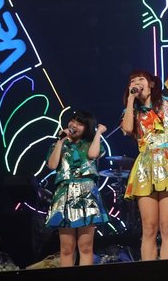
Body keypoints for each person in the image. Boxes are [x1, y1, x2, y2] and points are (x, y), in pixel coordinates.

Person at [121, 13, 168, 261]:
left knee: (166, 226)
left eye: (141, 79)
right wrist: (130, 100)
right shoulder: (132, 111)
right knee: (149, 227)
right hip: (145, 165)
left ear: (151, 84)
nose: (137, 83)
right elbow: (128, 130)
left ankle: (166, 271)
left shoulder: (165, 98)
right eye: (133, 81)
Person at [44, 110, 109, 266]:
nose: (74, 125)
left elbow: (93, 154)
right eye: (73, 121)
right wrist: (60, 141)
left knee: (85, 247)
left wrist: (98, 132)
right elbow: (52, 165)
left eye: (80, 123)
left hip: (86, 194)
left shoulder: (90, 143)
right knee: (66, 249)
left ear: (87, 128)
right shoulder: (59, 144)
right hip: (64, 194)